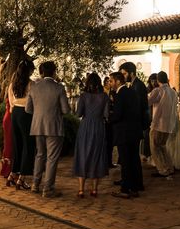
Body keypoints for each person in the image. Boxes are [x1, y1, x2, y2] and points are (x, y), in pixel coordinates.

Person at [25, 61, 70, 198]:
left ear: (41, 72)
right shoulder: (59, 88)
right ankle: (48, 189)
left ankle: (35, 185)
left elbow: (28, 109)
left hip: (38, 126)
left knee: (40, 155)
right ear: (54, 72)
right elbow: (65, 110)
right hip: (54, 127)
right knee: (52, 158)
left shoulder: (34, 87)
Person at [73, 72, 109, 197]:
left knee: (83, 155)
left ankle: (81, 189)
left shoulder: (83, 96)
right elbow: (106, 115)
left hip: (85, 126)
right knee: (96, 155)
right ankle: (94, 190)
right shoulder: (104, 96)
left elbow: (78, 114)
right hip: (99, 127)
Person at [109, 71, 144, 198]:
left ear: (118, 81)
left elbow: (118, 115)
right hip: (135, 131)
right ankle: (135, 187)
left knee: (125, 161)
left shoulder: (120, 94)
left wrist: (109, 118)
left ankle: (125, 189)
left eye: (111, 81)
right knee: (134, 159)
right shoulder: (132, 92)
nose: (110, 83)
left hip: (124, 132)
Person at [8, 60, 36, 190]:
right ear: (29, 71)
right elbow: (34, 102)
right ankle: (22, 178)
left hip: (15, 113)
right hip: (26, 113)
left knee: (17, 144)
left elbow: (10, 101)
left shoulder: (12, 84)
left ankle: (13, 173)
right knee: (28, 145)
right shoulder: (31, 84)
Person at [147, 71, 178, 178]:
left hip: (158, 124)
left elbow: (148, 102)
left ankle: (162, 170)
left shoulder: (158, 90)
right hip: (169, 124)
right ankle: (170, 167)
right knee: (162, 146)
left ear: (158, 80)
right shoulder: (173, 92)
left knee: (155, 147)